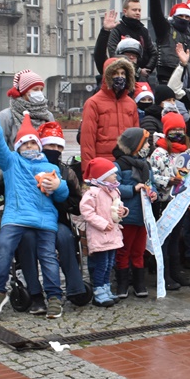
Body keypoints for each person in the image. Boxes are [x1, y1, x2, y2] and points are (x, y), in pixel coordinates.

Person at [0, 102, 68, 319]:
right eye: (24, 144)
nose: (29, 147)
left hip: (45, 219)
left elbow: (62, 197)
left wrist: (58, 187)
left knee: (48, 256)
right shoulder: (11, 163)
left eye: (32, 143)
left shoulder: (51, 168)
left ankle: (54, 297)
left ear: (39, 145)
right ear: (17, 147)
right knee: (4, 248)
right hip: (16, 216)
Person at [19, 122, 90, 313]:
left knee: (65, 237)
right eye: (51, 146)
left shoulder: (66, 171)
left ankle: (75, 288)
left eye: (59, 146)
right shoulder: (22, 167)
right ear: (41, 145)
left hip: (57, 221)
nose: (55, 150)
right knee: (27, 240)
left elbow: (78, 204)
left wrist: (60, 195)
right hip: (27, 222)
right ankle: (35, 294)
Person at [148, 111, 190, 289]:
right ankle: (163, 273)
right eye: (174, 130)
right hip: (163, 201)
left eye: (181, 130)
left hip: (180, 201)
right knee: (164, 238)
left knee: (175, 238)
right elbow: (152, 176)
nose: (178, 133)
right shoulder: (159, 153)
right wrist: (168, 181)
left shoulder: (188, 152)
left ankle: (175, 270)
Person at [0, 69, 53, 185]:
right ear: (23, 91)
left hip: (43, 177)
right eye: (35, 89)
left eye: (41, 89)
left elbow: (54, 147)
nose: (39, 93)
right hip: (15, 176)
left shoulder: (47, 116)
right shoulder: (7, 116)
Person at [113, 127, 157, 298]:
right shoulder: (119, 165)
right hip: (127, 216)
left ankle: (139, 283)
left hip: (143, 217)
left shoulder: (145, 165)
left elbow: (151, 183)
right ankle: (122, 284)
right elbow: (114, 188)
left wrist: (153, 193)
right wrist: (133, 188)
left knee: (139, 251)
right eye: (145, 142)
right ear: (136, 145)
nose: (148, 145)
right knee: (124, 251)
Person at [79, 158, 126, 307]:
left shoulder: (114, 190)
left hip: (113, 234)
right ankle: (99, 290)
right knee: (101, 264)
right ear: (102, 176)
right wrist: (103, 224)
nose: (115, 177)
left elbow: (119, 206)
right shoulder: (93, 193)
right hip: (100, 235)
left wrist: (123, 211)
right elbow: (87, 212)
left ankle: (106, 287)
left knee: (110, 263)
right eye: (112, 174)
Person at [80, 57, 139, 163]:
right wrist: (88, 171)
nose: (120, 77)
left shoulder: (131, 104)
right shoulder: (93, 103)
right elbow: (87, 141)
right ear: (107, 76)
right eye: (115, 73)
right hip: (103, 165)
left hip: (127, 164)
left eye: (123, 73)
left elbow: (136, 139)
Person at [106, 0, 157, 78]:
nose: (138, 13)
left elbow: (154, 53)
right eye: (134, 10)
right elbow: (114, 54)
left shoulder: (144, 31)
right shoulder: (117, 29)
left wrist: (147, 69)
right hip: (123, 75)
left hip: (141, 79)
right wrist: (138, 70)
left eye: (139, 10)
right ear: (125, 12)